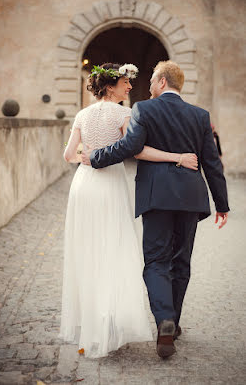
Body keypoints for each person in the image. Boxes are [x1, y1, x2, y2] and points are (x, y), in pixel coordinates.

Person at [82, 60, 229, 359]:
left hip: (156, 196)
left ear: (162, 82)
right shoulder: (200, 116)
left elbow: (130, 147)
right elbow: (212, 163)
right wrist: (222, 204)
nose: (147, 87)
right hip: (191, 198)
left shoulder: (144, 110)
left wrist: (95, 157)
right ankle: (173, 325)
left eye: (151, 81)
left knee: (156, 261)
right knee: (181, 261)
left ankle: (164, 319)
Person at [59, 62, 198, 358]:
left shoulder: (82, 114)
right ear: (110, 86)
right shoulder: (124, 113)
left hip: (83, 186)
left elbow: (69, 155)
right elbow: (136, 150)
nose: (130, 87)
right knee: (112, 250)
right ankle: (109, 323)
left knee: (88, 251)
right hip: (109, 184)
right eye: (125, 83)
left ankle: (91, 324)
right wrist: (177, 157)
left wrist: (88, 157)